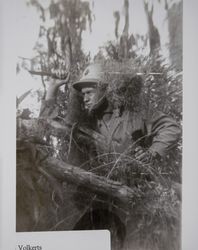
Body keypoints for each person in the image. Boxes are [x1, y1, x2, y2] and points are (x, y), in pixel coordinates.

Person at [40, 62, 181, 249]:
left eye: (89, 92)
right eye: (83, 95)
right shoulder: (83, 123)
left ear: (106, 90)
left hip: (137, 199)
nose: (85, 99)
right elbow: (48, 123)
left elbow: (171, 127)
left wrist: (152, 153)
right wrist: (52, 88)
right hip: (100, 202)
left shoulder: (134, 114)